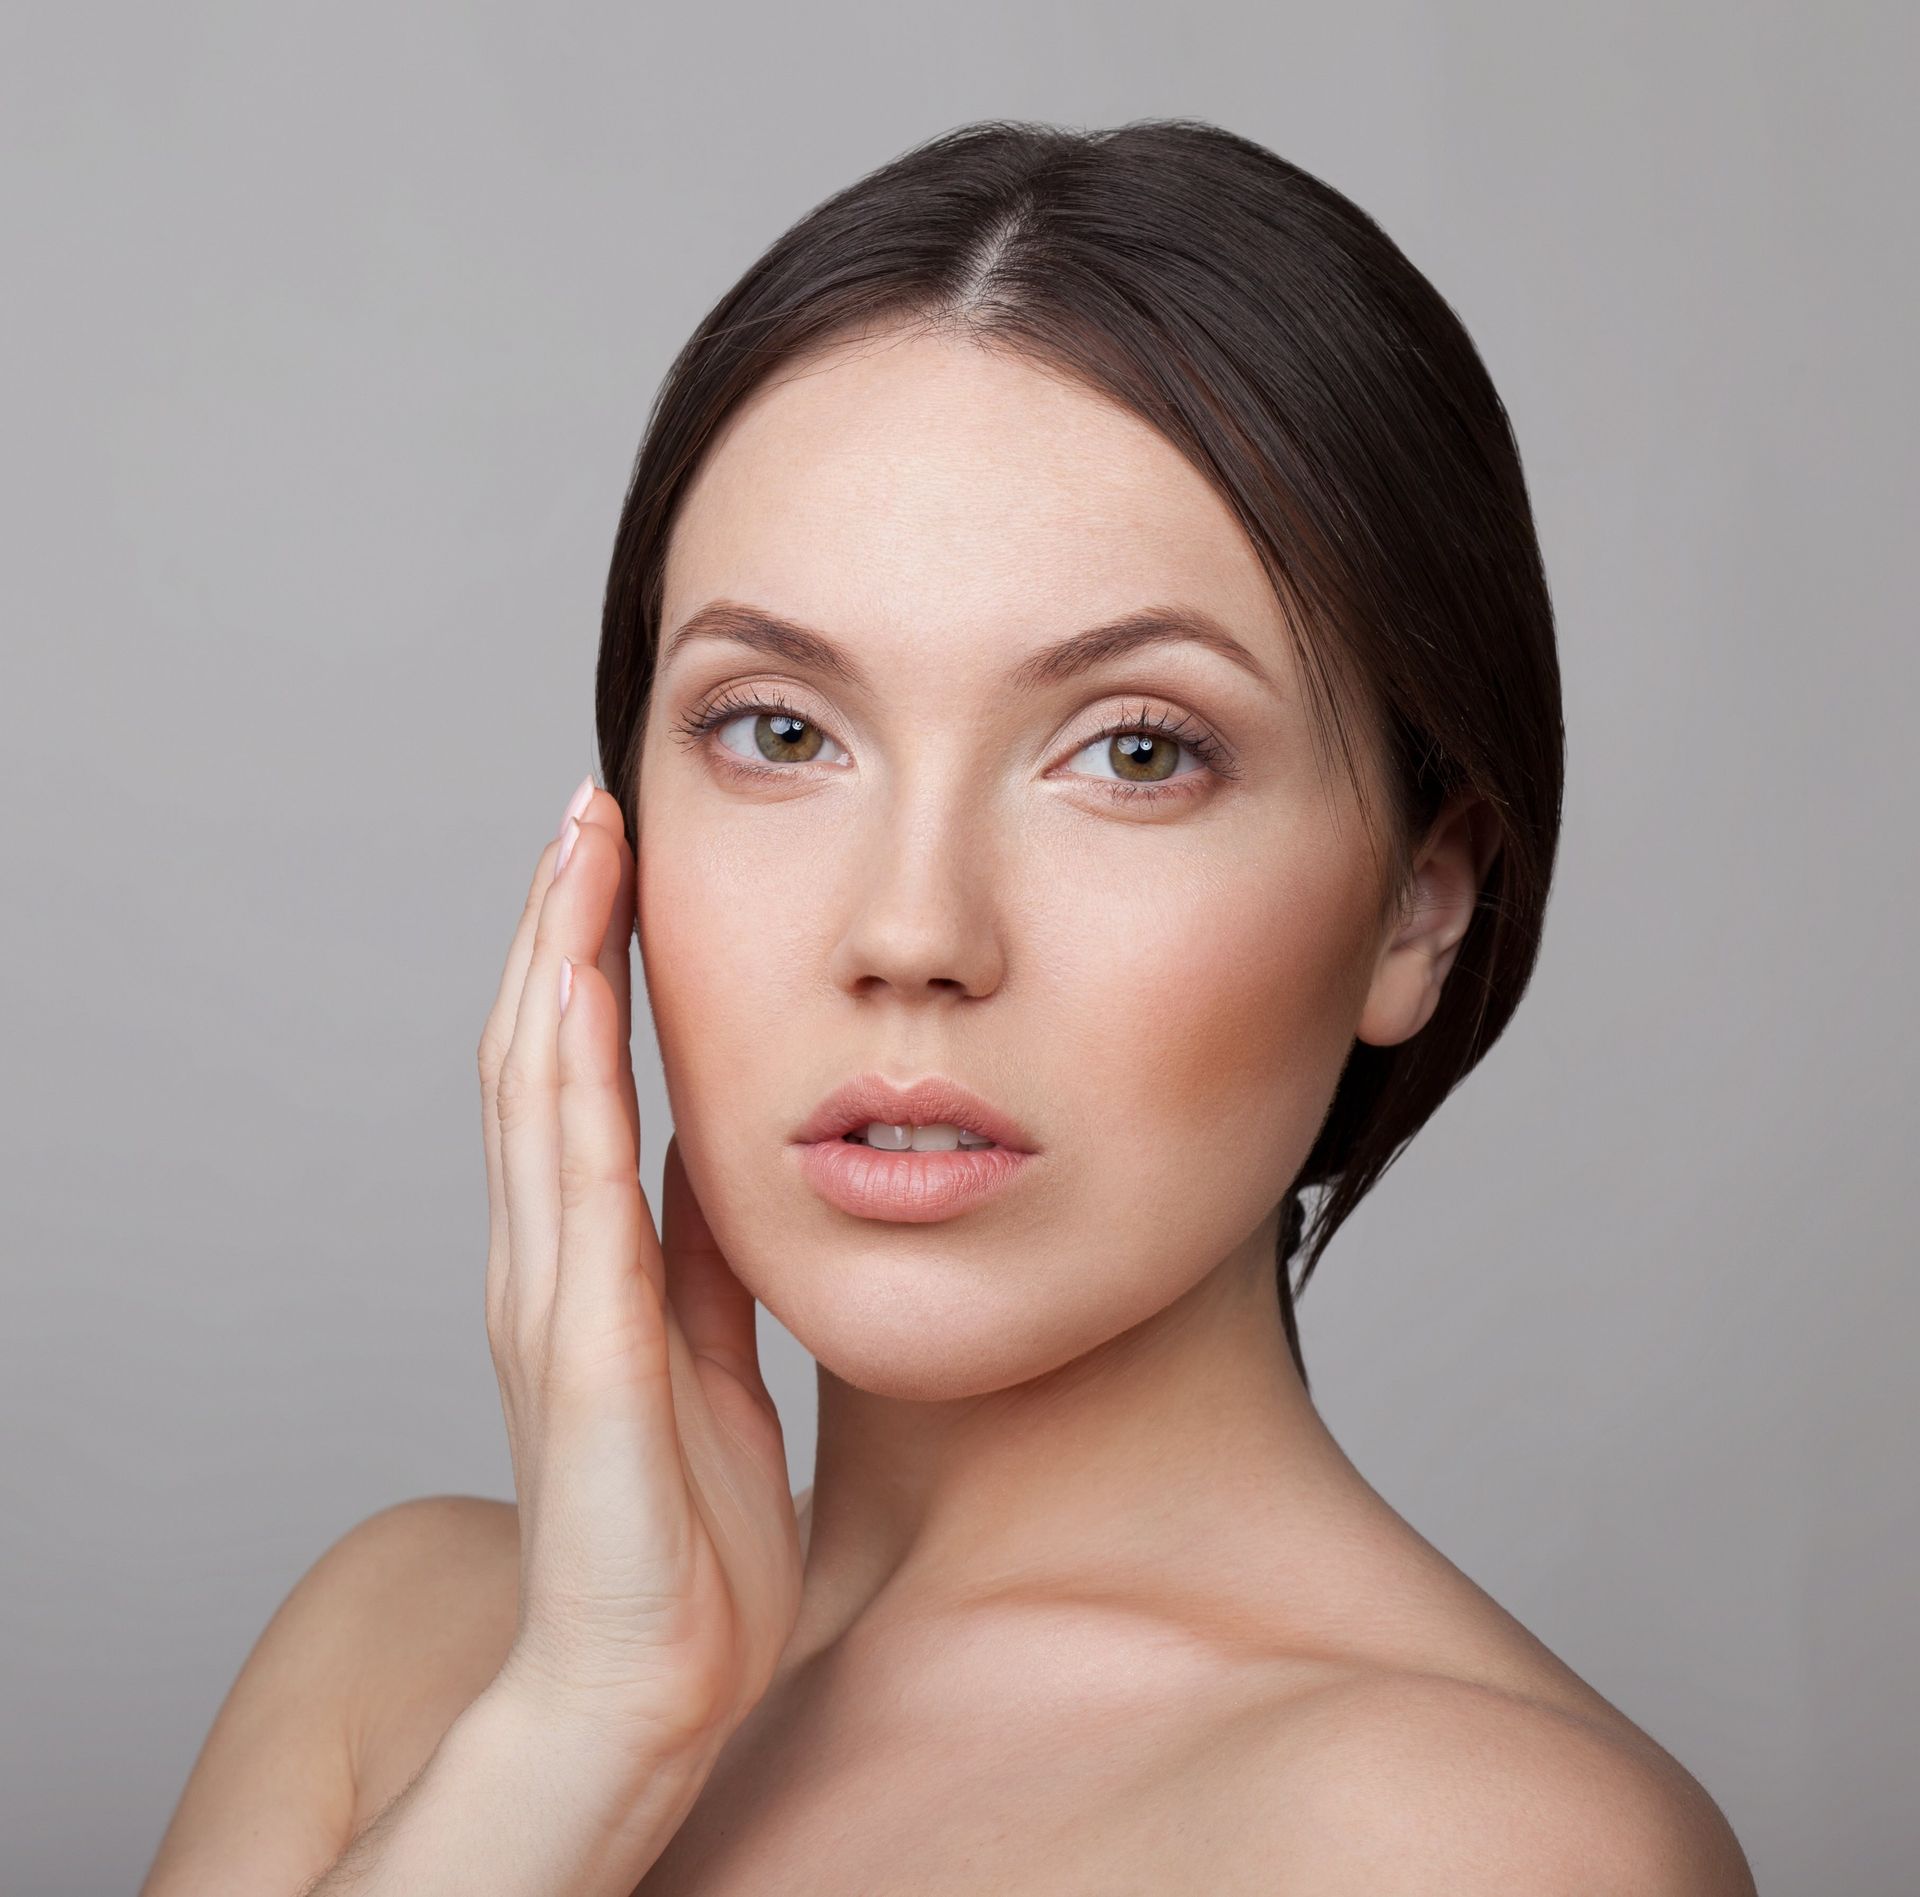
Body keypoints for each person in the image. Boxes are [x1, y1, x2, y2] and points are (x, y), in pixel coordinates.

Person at [142, 118, 1756, 1894]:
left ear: (1417, 906)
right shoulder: (405, 1652)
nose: (911, 930)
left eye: (1136, 750)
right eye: (778, 729)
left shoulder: (1471, 1843)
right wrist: (583, 1730)